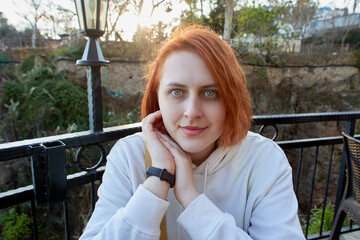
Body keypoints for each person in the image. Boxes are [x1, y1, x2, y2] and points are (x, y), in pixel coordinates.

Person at [79, 25, 305, 240]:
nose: (192, 112)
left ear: (230, 99)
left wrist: (191, 199)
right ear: (157, 97)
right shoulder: (129, 156)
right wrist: (158, 179)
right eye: (177, 91)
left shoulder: (264, 160)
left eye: (210, 93)